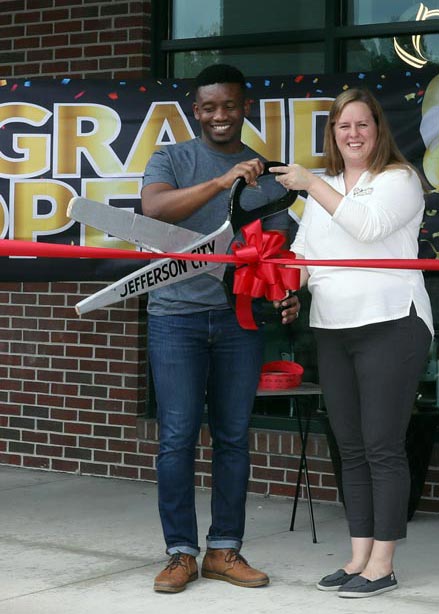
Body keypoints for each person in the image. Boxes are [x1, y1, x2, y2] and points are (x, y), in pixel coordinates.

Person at [141, 63, 299, 593]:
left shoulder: (267, 177)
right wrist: (220, 180)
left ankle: (224, 550)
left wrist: (288, 292)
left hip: (240, 321)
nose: (219, 116)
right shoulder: (172, 157)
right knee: (178, 438)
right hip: (175, 317)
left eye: (229, 105)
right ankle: (180, 553)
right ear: (195, 110)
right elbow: (155, 209)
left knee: (233, 438)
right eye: (209, 107)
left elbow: (281, 253)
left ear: (244, 107)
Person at [270, 88, 433, 599]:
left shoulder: (400, 179)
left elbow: (366, 227)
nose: (354, 133)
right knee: (351, 446)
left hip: (391, 323)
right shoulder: (327, 188)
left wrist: (309, 183)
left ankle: (383, 564)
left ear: (378, 129)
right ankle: (359, 554)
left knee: (383, 446)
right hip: (332, 327)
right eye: (344, 126)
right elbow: (303, 257)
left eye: (363, 124)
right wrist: (276, 281)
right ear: (333, 133)